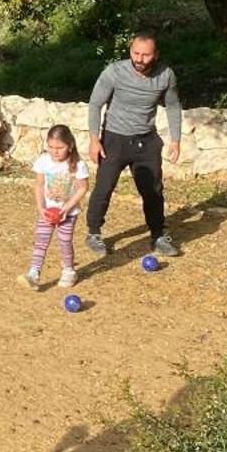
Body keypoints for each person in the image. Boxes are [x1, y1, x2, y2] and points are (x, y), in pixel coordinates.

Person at [84, 34, 183, 259]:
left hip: (146, 141)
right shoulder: (115, 72)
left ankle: (158, 235)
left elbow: (173, 105)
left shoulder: (165, 75)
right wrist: (94, 139)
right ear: (130, 51)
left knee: (153, 191)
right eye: (136, 53)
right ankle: (94, 232)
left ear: (155, 55)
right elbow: (95, 104)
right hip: (114, 139)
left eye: (145, 54)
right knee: (104, 186)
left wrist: (176, 139)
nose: (139, 59)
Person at [25, 124, 90, 290]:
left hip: (68, 213)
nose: (55, 151)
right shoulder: (43, 161)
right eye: (51, 147)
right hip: (47, 211)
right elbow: (39, 185)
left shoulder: (78, 164)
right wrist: (41, 208)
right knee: (41, 240)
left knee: (65, 241)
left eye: (60, 147)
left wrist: (66, 209)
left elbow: (83, 187)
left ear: (70, 146)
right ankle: (34, 272)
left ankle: (69, 271)